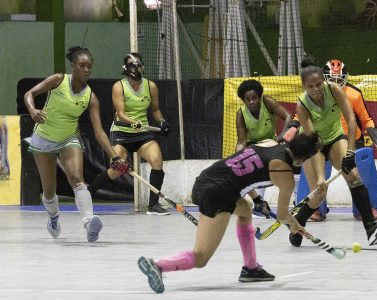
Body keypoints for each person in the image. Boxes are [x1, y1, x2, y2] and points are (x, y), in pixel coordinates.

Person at [137, 132, 322, 293]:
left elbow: (240, 169)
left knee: (245, 209)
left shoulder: (269, 142)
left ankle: (250, 268)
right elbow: (282, 215)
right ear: (302, 160)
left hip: (206, 179)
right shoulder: (284, 172)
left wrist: (257, 199)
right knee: (201, 257)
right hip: (218, 193)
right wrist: (295, 225)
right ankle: (158, 265)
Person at [23, 46, 130, 242]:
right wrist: (32, 110)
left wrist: (115, 156)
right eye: (82, 65)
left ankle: (89, 223)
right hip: (43, 140)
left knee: (77, 178)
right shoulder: (58, 80)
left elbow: (99, 132)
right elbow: (29, 93)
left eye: (90, 66)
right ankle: (54, 218)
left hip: (68, 140)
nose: (87, 70)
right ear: (73, 66)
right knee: (49, 190)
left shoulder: (91, 97)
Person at [288, 57, 377, 248]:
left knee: (354, 176)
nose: (316, 89)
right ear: (304, 86)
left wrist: (350, 153)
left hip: (335, 137)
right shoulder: (302, 105)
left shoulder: (334, 89)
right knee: (317, 195)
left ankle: (371, 228)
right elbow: (312, 141)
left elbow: (351, 120)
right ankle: (297, 224)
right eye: (311, 86)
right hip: (313, 144)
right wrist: (319, 177)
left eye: (319, 84)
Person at [88, 53, 170, 215]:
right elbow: (121, 113)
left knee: (157, 161)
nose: (136, 68)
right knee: (116, 169)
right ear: (126, 68)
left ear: (142, 67)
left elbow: (155, 110)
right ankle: (87, 193)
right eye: (132, 65)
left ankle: (153, 205)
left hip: (142, 133)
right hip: (121, 132)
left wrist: (161, 122)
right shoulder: (119, 87)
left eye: (138, 64)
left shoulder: (151, 86)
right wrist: (132, 121)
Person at [321, 59, 377, 220]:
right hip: (324, 139)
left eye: (338, 80)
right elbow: (300, 117)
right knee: (316, 172)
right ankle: (316, 209)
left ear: (345, 79)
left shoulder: (354, 94)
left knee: (359, 172)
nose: (335, 83)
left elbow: (365, 118)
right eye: (331, 79)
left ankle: (364, 208)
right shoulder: (316, 94)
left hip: (352, 141)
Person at [235, 79, 292, 218]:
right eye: (247, 99)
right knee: (241, 169)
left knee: (290, 164)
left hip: (271, 143)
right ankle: (258, 203)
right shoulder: (241, 114)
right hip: (253, 146)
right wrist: (237, 158)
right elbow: (242, 141)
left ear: (259, 97)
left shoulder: (267, 102)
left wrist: (283, 136)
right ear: (244, 100)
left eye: (254, 98)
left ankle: (294, 201)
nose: (251, 102)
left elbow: (288, 116)